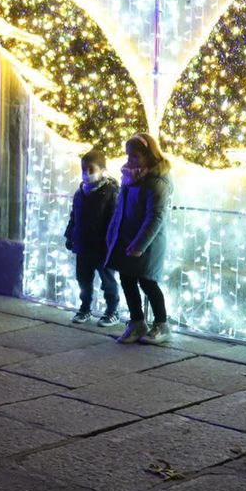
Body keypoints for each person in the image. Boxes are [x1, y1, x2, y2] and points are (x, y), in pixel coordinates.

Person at [105, 132, 173, 345]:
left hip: (146, 243)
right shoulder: (130, 177)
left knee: (148, 282)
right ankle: (137, 322)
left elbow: (156, 216)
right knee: (127, 279)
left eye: (135, 156)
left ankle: (162, 325)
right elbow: (120, 209)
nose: (130, 160)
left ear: (148, 155)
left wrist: (140, 244)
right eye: (128, 156)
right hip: (126, 237)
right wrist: (112, 233)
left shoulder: (157, 181)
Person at [63, 149, 119, 326]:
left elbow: (113, 220)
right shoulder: (80, 193)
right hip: (83, 245)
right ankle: (85, 308)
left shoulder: (110, 193)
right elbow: (74, 216)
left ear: (103, 170)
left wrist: (111, 243)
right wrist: (70, 235)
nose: (86, 175)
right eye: (84, 170)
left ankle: (112, 311)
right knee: (83, 279)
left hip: (102, 247)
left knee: (107, 281)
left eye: (91, 170)